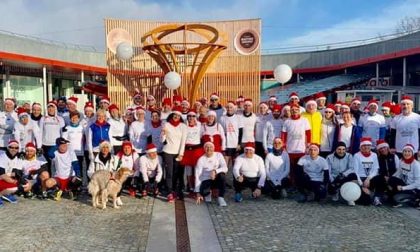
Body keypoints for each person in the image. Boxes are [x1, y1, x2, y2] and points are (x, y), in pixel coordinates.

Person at [161, 108, 187, 202]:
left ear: (180, 117)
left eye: (178, 115)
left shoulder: (183, 126)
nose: (176, 117)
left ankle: (175, 189)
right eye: (174, 115)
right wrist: (163, 134)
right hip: (168, 151)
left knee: (176, 173)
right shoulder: (166, 124)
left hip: (177, 152)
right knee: (169, 172)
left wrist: (181, 154)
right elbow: (162, 140)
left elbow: (183, 141)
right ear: (171, 115)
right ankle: (169, 192)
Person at [281, 104, 311, 186]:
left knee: (300, 169)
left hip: (301, 149)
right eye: (292, 110)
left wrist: (308, 145)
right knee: (291, 169)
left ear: (299, 110)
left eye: (296, 109)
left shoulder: (304, 120)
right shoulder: (287, 121)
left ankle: (300, 185)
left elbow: (308, 133)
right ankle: (292, 185)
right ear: (290, 111)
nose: (294, 111)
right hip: (290, 149)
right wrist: (283, 146)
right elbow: (283, 134)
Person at [195, 141, 228, 206]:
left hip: (216, 178)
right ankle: (208, 192)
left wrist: (215, 171)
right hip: (206, 179)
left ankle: (221, 197)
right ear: (204, 149)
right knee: (204, 192)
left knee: (222, 176)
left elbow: (225, 168)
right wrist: (198, 192)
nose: (209, 149)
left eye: (211, 147)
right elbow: (198, 176)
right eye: (207, 147)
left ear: (214, 148)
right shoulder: (201, 159)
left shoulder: (218, 155)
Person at [389, 144, 420, 208]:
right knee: (391, 180)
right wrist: (390, 181)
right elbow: (398, 173)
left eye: (409, 151)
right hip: (405, 184)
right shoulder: (401, 161)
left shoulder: (416, 165)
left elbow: (417, 183)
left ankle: (415, 198)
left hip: (415, 188)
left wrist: (403, 188)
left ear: (412, 153)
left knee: (395, 198)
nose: (407, 153)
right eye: (405, 151)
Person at [0, 140, 30, 206]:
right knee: (16, 187)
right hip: (1, 178)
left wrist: (22, 180)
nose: (14, 149)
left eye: (16, 148)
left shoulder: (17, 158)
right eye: (11, 147)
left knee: (27, 185)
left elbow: (15, 173)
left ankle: (6, 194)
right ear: (8, 148)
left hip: (5, 178)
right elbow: (2, 175)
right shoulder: (2, 157)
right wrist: (16, 182)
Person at [181, 110, 203, 196]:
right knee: (188, 170)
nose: (191, 118)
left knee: (197, 169)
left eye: (193, 116)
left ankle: (197, 187)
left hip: (196, 149)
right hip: (187, 150)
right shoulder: (184, 126)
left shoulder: (199, 126)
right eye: (189, 116)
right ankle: (190, 187)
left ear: (196, 118)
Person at [353, 137, 380, 205]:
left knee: (380, 178)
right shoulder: (356, 155)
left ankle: (376, 197)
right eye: (364, 145)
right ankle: (365, 194)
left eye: (368, 145)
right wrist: (362, 185)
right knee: (366, 202)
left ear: (371, 146)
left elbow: (375, 169)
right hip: (360, 179)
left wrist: (368, 178)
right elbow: (355, 172)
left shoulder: (374, 155)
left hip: (370, 179)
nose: (366, 147)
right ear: (361, 147)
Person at [376, 139, 400, 206]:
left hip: (394, 178)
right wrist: (384, 177)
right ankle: (377, 197)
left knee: (393, 185)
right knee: (378, 179)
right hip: (383, 178)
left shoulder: (394, 156)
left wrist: (390, 179)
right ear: (379, 150)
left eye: (384, 147)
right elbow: (377, 170)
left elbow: (398, 170)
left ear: (387, 147)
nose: (383, 149)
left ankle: (391, 198)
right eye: (381, 148)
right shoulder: (378, 158)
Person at [62, 112, 85, 181]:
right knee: (71, 169)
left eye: (76, 117)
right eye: (72, 117)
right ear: (70, 119)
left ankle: (80, 184)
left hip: (79, 152)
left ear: (79, 119)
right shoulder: (67, 128)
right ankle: (70, 185)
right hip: (70, 152)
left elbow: (85, 138)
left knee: (79, 168)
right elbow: (64, 140)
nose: (74, 119)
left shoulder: (82, 128)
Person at [220, 101, 242, 169]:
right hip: (226, 144)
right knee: (225, 166)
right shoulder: (222, 118)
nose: (229, 109)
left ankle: (235, 179)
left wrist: (239, 144)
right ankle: (224, 179)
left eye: (231, 107)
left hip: (235, 144)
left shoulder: (238, 118)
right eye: (228, 107)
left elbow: (241, 132)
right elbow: (221, 132)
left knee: (235, 166)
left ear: (234, 108)